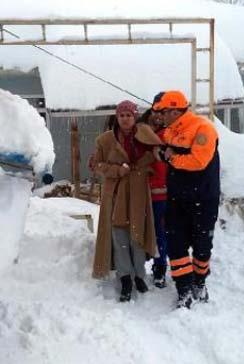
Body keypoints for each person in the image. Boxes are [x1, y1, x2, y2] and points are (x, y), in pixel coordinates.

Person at [153, 90, 220, 309]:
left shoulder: (204, 128)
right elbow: (165, 151)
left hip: (203, 199)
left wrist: (172, 157)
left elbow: (198, 162)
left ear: (174, 110)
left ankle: (199, 283)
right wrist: (163, 153)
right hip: (177, 200)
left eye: (162, 112)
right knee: (176, 246)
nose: (159, 116)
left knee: (202, 247)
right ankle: (183, 288)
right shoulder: (170, 132)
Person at [92, 100, 162, 302]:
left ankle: (139, 275)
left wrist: (143, 166)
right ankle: (125, 278)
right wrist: (117, 170)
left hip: (138, 191)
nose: (125, 119)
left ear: (135, 116)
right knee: (119, 235)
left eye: (128, 115)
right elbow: (96, 165)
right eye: (121, 115)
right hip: (115, 192)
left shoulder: (145, 135)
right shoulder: (105, 140)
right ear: (117, 117)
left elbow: (157, 154)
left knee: (137, 235)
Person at [137, 108, 169, 289]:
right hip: (140, 193)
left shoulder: (169, 134)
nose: (158, 116)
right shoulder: (139, 134)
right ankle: (137, 269)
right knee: (139, 234)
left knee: (161, 234)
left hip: (162, 194)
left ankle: (160, 269)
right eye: (155, 112)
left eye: (162, 113)